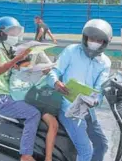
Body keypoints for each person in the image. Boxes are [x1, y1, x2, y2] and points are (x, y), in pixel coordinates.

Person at [47, 19, 112, 161]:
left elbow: (99, 89)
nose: (94, 42)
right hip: (68, 108)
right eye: (91, 38)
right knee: (86, 151)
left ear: (104, 42)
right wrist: (56, 82)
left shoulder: (105, 62)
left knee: (102, 145)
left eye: (98, 40)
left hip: (87, 109)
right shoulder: (71, 51)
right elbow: (54, 71)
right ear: (85, 38)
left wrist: (96, 100)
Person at [0, 16, 41, 161]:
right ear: (1, 33)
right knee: (33, 114)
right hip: (1, 97)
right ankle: (26, 154)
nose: (15, 36)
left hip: (11, 94)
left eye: (17, 32)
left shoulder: (8, 50)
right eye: (12, 32)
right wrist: (17, 59)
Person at [9, 53, 58, 161]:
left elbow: (48, 69)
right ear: (16, 66)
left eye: (29, 66)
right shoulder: (16, 75)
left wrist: (44, 69)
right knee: (53, 124)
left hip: (38, 99)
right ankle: (48, 158)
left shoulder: (30, 72)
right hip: (32, 103)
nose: (28, 69)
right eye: (25, 66)